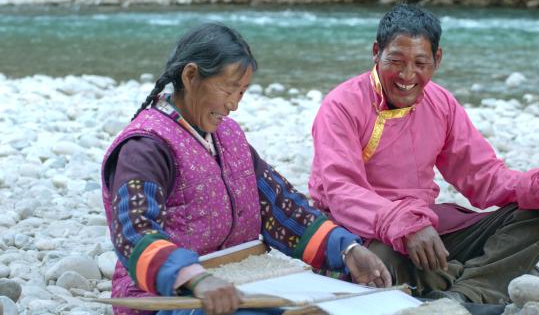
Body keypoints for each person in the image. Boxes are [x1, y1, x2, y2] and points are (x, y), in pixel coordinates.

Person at [307, 4, 539, 311]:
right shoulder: (341, 105)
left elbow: (484, 176)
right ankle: (491, 281)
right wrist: (405, 226)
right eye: (396, 61)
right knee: (379, 264)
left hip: (424, 229)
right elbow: (342, 193)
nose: (407, 75)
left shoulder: (441, 103)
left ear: (437, 59)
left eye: (420, 63)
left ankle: (463, 293)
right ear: (376, 52)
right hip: (363, 234)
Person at [101, 23, 391, 315]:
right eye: (228, 89)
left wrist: (347, 250)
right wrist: (195, 279)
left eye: (241, 92)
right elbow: (135, 231)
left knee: (341, 288)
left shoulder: (229, 136)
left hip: (237, 277)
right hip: (169, 297)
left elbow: (282, 208)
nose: (233, 105)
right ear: (190, 76)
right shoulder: (144, 147)